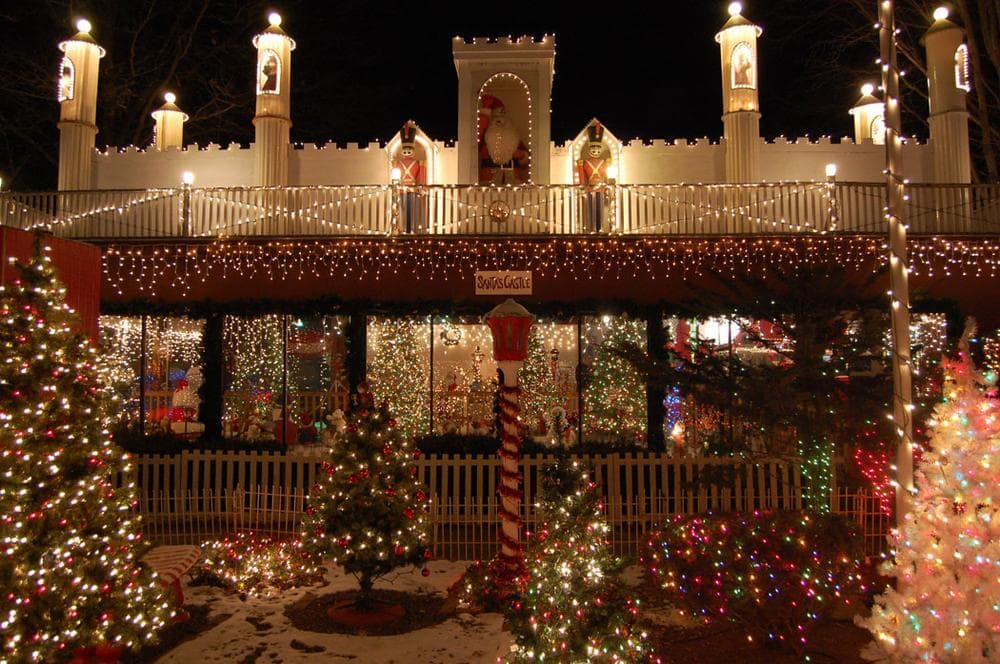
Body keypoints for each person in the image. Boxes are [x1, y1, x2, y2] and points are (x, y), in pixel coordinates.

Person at [576, 123, 611, 231]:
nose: (595, 151)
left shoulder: (604, 162)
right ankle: (592, 228)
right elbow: (582, 178)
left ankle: (598, 228)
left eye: (597, 149)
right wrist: (580, 167)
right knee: (590, 209)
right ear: (590, 148)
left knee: (599, 210)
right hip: (590, 188)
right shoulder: (586, 162)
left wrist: (607, 185)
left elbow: (607, 175)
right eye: (593, 148)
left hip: (600, 188)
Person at [393, 121, 426, 231]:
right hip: (402, 190)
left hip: (412, 190)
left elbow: (420, 177)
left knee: (412, 211)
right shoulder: (398, 163)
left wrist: (421, 186)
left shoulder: (417, 163)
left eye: (409, 150)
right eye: (405, 150)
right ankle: (404, 228)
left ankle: (412, 229)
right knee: (402, 210)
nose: (407, 152)